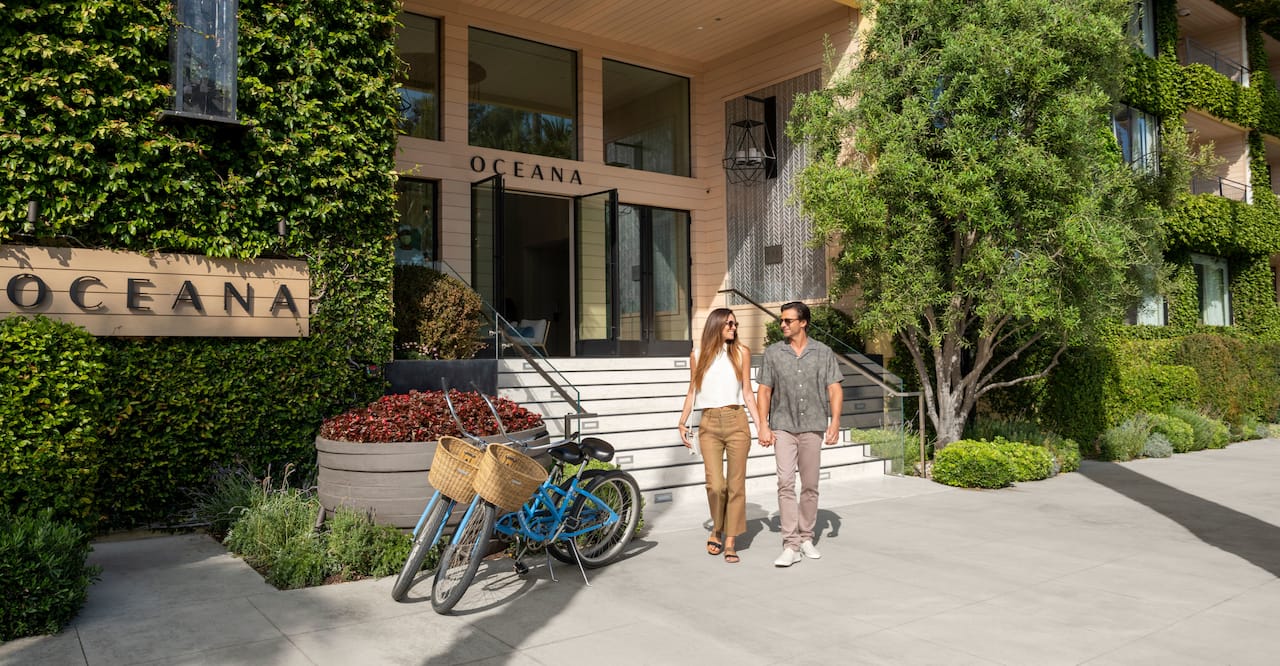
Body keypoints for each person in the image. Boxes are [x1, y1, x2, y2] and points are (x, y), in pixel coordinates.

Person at [756, 301, 843, 567]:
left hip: (813, 426)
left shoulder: (823, 352)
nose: (782, 324)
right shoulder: (773, 353)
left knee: (810, 485)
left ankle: (807, 536)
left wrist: (835, 422)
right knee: (785, 481)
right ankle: (790, 544)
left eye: (788, 321)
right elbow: (764, 391)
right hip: (782, 425)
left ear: (803, 322)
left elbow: (834, 389)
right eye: (781, 321)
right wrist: (762, 424)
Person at [677, 308, 761, 564]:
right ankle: (717, 527)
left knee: (736, 486)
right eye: (729, 324)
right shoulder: (698, 355)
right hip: (709, 423)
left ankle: (730, 541)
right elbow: (693, 390)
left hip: (736, 421)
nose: (734, 328)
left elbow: (748, 392)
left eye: (735, 324)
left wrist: (761, 426)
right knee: (715, 485)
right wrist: (682, 421)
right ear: (716, 325)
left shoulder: (741, 353)